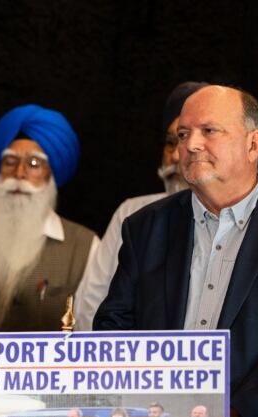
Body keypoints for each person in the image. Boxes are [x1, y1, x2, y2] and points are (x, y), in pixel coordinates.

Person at [93, 84, 258, 417]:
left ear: (253, 143)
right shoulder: (145, 228)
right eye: (183, 134)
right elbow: (113, 328)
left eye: (209, 130)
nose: (190, 145)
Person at [74, 81, 207, 330]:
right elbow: (91, 303)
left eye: (191, 139)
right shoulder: (132, 213)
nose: (177, 155)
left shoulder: (242, 215)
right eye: (174, 140)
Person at [0, 104, 98, 331]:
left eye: (34, 163)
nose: (19, 174)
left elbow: (90, 328)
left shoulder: (85, 245)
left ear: (51, 175)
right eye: (10, 161)